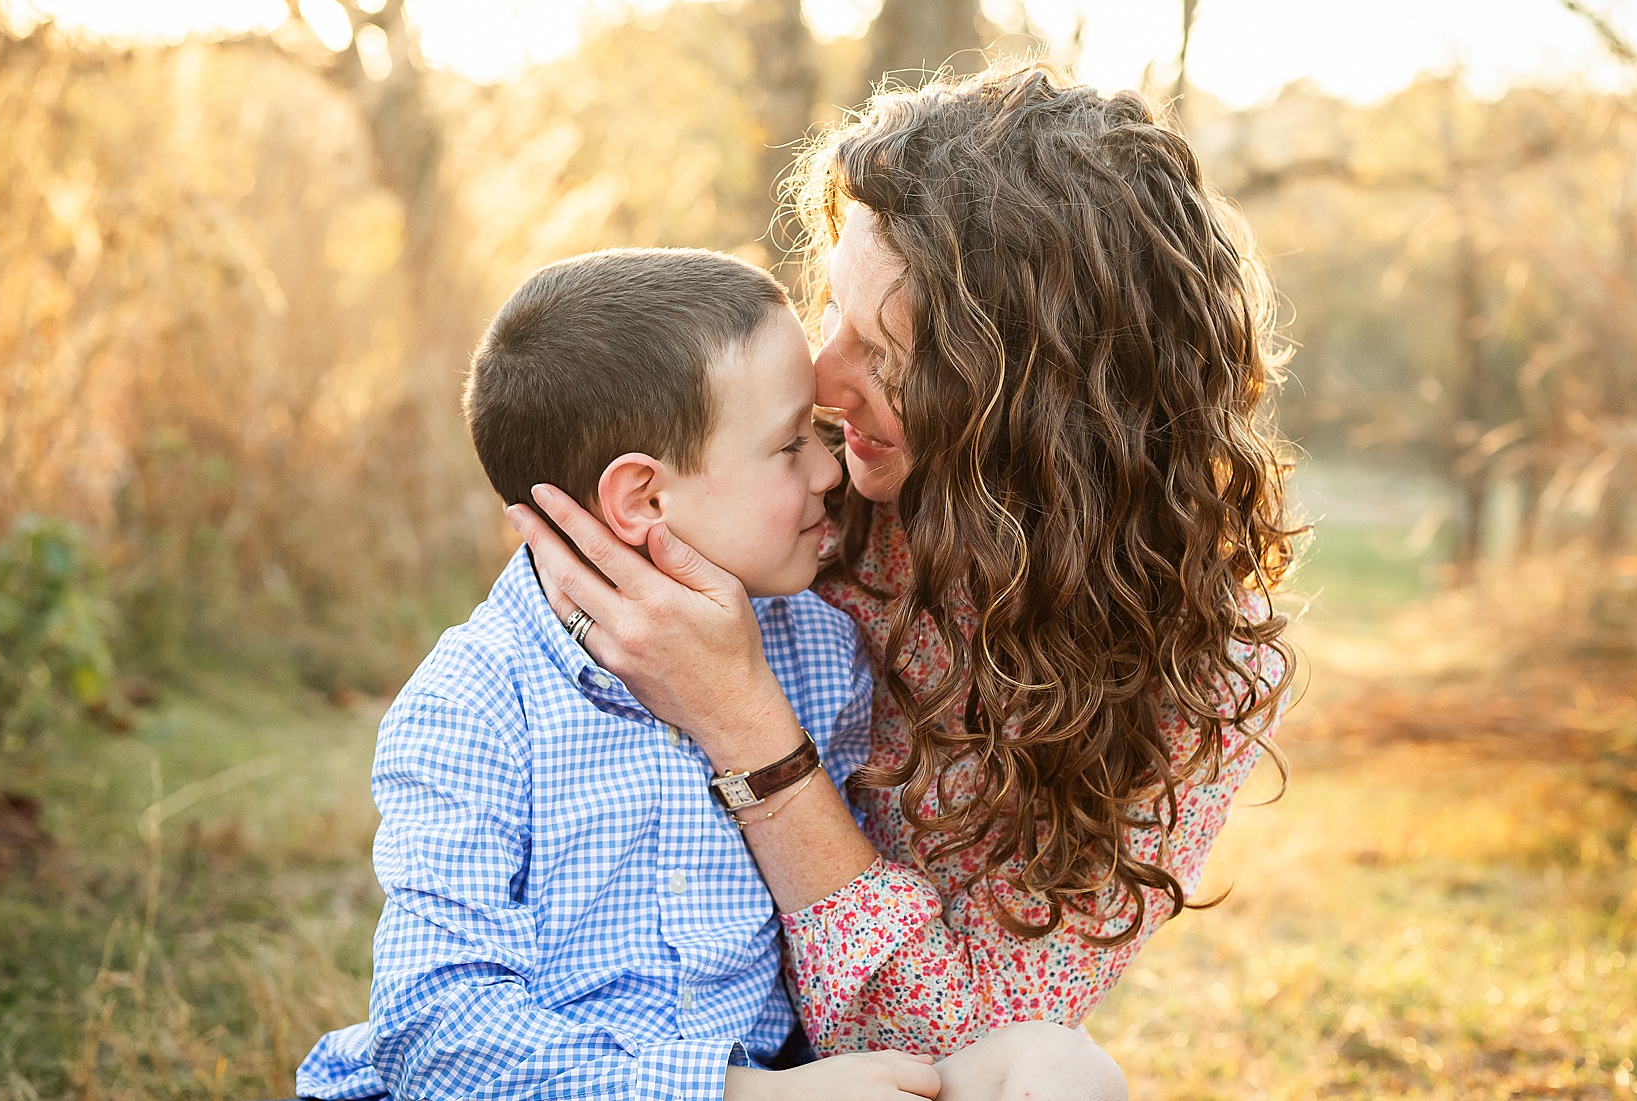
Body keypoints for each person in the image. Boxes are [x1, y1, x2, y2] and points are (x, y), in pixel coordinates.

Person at [510, 64, 1296, 1083]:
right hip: (648, 1048)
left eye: (885, 354)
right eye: (831, 313)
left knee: (1058, 1075)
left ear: (1037, 406)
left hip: (878, 1072)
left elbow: (959, 1042)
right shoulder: (790, 500)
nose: (825, 383)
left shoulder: (1191, 659)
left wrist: (747, 725)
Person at [294, 248, 944, 1101]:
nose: (831, 471)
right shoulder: (477, 702)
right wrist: (748, 1096)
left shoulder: (824, 656)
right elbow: (438, 1033)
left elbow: (843, 946)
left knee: (1058, 1067)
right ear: (642, 500)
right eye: (789, 444)